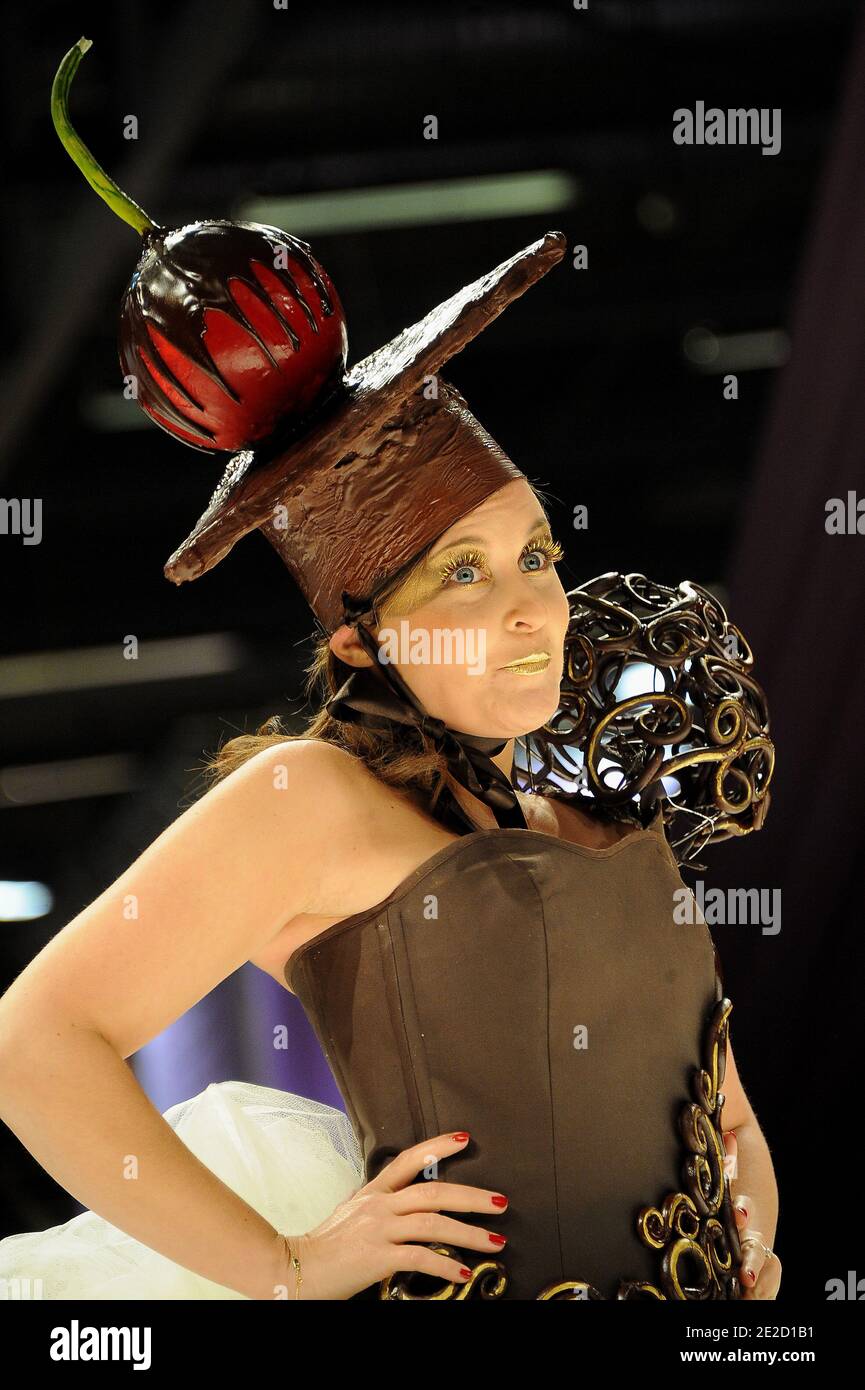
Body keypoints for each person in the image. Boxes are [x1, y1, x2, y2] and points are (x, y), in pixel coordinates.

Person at [0, 43, 781, 1301]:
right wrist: (289, 1267)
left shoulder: (598, 807)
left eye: (534, 553)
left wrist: (753, 1223)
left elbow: (716, 1112)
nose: (533, 604)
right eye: (462, 575)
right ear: (360, 637)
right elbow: (30, 1046)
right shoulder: (308, 799)